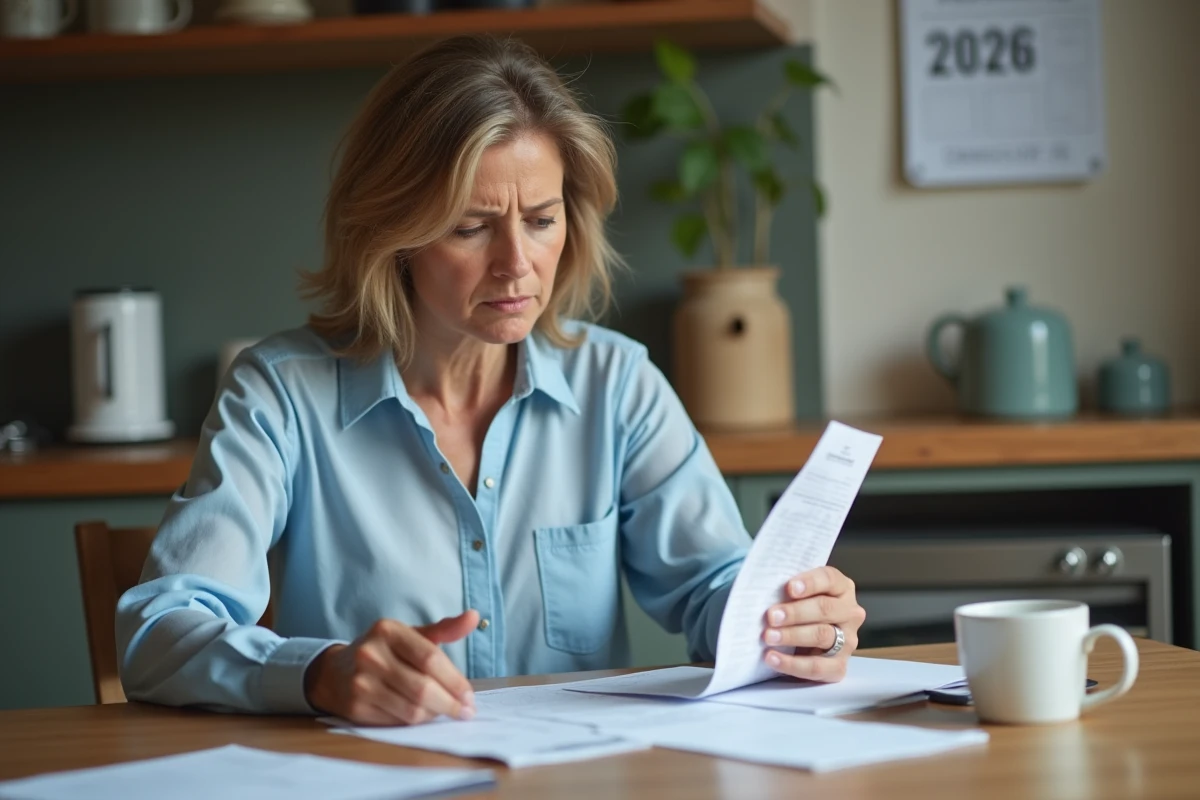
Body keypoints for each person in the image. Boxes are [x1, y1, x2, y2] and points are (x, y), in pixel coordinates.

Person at [116, 34, 865, 726]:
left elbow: (716, 591)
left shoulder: (617, 383)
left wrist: (792, 621)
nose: (517, 264)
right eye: (470, 227)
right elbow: (161, 634)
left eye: (540, 219)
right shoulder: (279, 394)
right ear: (393, 234)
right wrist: (320, 672)